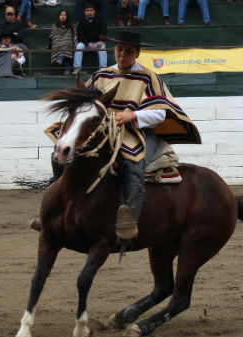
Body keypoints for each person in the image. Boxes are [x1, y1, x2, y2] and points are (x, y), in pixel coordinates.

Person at [86, 31, 200, 240]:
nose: (122, 55)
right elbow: (84, 104)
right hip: (104, 132)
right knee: (65, 154)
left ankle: (129, 221)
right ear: (114, 50)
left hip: (137, 133)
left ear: (137, 53)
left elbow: (160, 112)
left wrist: (131, 115)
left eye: (128, 51)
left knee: (132, 165)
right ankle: (57, 213)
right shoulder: (101, 75)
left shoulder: (149, 77)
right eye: (119, 50)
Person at [73, 3, 107, 74]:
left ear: (94, 11)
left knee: (102, 48)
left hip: (97, 43)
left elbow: (104, 31)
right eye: (87, 10)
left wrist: (101, 40)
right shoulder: (81, 21)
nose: (89, 12)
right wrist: (87, 43)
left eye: (91, 10)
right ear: (84, 12)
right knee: (79, 46)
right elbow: (80, 35)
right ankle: (77, 68)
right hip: (86, 44)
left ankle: (103, 69)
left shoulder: (100, 18)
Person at [48, 9, 76, 75]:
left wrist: (75, 43)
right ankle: (67, 69)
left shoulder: (72, 25)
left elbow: (73, 35)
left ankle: (60, 58)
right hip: (58, 42)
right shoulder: (55, 25)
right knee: (60, 44)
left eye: (64, 15)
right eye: (61, 15)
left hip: (68, 42)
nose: (63, 16)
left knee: (66, 44)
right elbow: (53, 36)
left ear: (67, 16)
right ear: (59, 16)